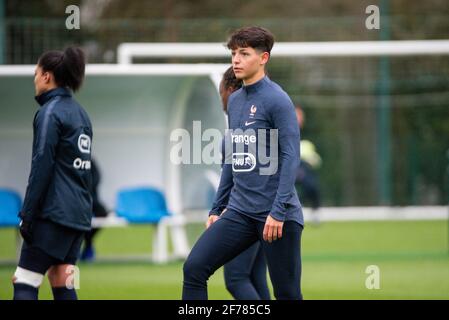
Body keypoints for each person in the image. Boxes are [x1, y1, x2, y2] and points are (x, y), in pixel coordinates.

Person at [183, 26, 304, 300]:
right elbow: (232, 160)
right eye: (234, 53)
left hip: (276, 216)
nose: (236, 60)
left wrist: (277, 211)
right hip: (239, 212)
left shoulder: (278, 100)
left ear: (263, 59)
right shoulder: (235, 101)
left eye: (244, 54)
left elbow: (290, 157)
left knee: (286, 293)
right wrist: (217, 207)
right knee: (194, 269)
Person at [12, 47, 93, 300]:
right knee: (62, 279)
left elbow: (41, 165)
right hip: (77, 216)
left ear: (47, 76)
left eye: (36, 73)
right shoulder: (81, 113)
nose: (34, 79)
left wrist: (27, 214)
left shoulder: (49, 113)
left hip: (53, 215)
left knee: (24, 279)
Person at [218, 66, 271, 300]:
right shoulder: (260, 130)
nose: (220, 98)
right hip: (265, 211)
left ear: (230, 90)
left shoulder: (234, 136)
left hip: (245, 213)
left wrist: (221, 209)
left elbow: (235, 181)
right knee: (256, 276)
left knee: (236, 278)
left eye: (220, 91)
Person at [295, 106, 322, 225]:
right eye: (297, 116)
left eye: (300, 117)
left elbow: (315, 159)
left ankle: (315, 212)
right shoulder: (283, 131)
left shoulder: (306, 137)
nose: (299, 120)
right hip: (289, 167)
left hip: (303, 168)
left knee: (311, 185)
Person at [80, 158, 108, 262]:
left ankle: (88, 244)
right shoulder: (70, 160)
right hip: (76, 200)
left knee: (103, 213)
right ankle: (84, 247)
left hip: (92, 199)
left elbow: (96, 179)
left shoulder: (90, 162)